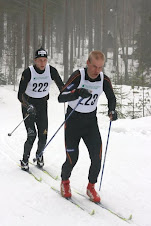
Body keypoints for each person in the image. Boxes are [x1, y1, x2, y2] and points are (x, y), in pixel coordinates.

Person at [58, 50, 117, 203]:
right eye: (94, 67)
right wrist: (77, 92)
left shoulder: (103, 79)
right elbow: (60, 97)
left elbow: (111, 97)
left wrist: (112, 110)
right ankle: (65, 182)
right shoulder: (79, 76)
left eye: (100, 67)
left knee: (97, 158)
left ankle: (91, 186)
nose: (97, 71)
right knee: (72, 158)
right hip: (73, 121)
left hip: (90, 122)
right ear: (88, 63)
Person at [18, 47, 64, 171]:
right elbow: (20, 94)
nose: (42, 63)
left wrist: (69, 95)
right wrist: (28, 106)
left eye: (45, 60)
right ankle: (24, 160)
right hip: (28, 106)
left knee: (43, 135)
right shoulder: (28, 72)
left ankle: (39, 156)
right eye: (40, 60)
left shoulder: (51, 70)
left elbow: (62, 87)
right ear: (35, 60)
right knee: (32, 134)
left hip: (42, 105)